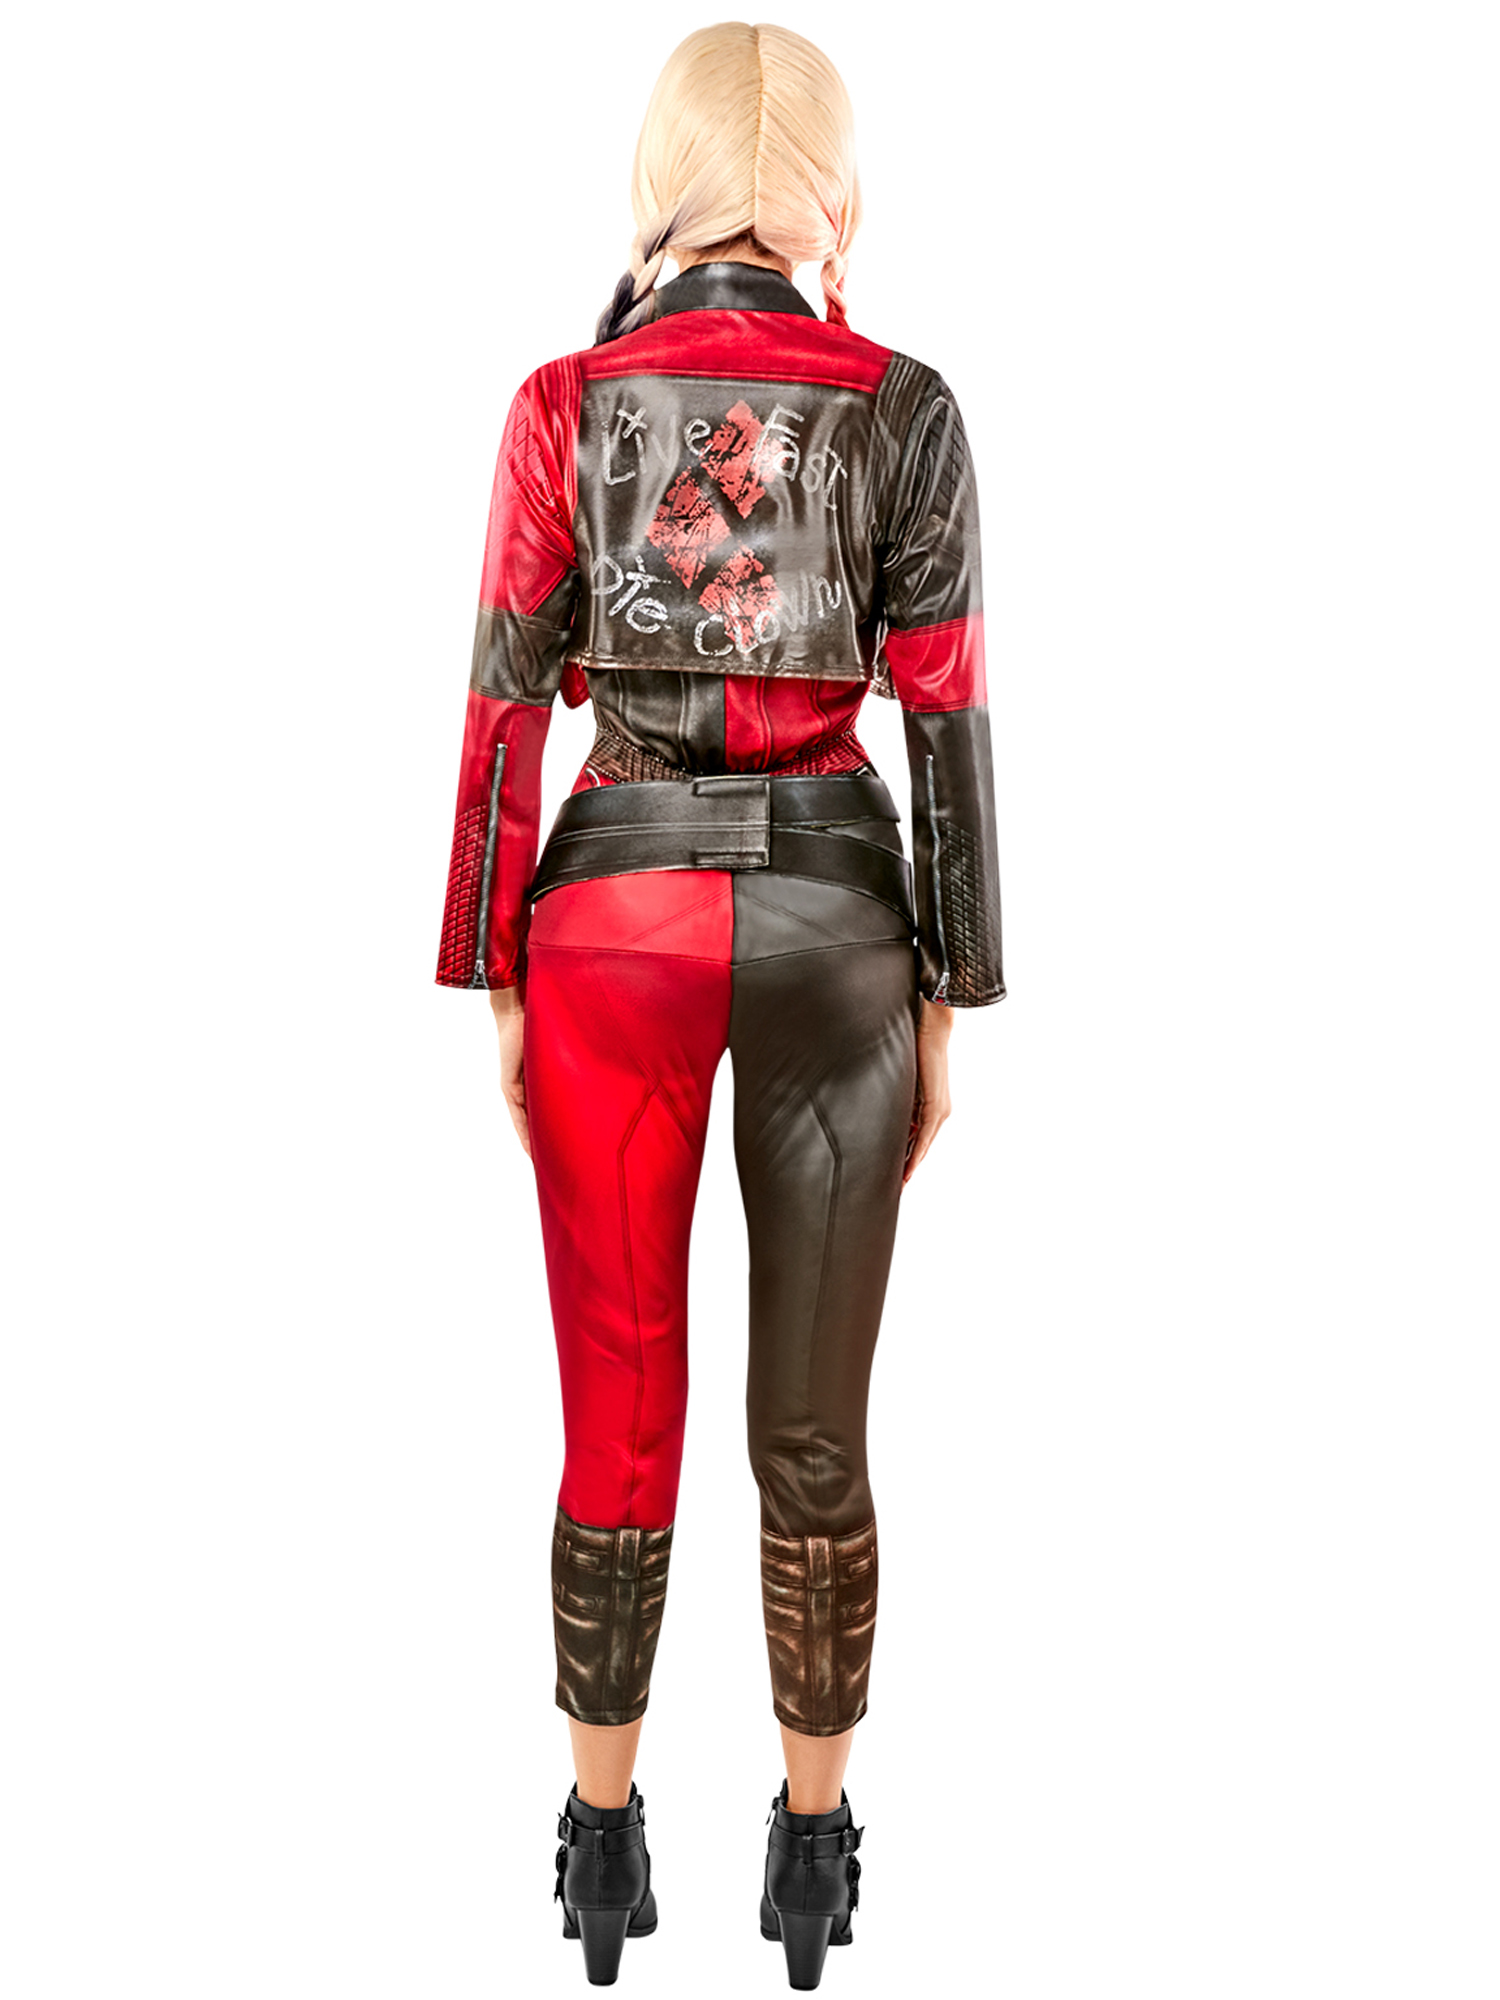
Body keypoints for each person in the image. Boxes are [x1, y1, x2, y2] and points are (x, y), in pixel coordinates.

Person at [434, 22, 1005, 1988]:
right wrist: (954, 988)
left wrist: (494, 969)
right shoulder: (905, 405)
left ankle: (600, 1846)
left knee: (618, 1408)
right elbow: (949, 719)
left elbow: (503, 714)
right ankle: (817, 1852)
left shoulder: (561, 405)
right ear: (832, 191)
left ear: (658, 182)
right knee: (816, 1433)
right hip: (840, 925)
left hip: (611, 927)